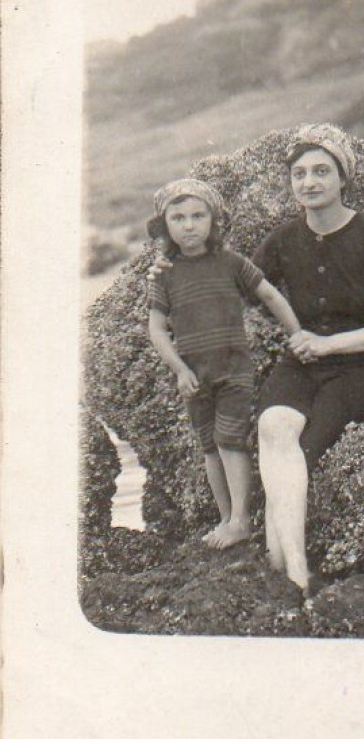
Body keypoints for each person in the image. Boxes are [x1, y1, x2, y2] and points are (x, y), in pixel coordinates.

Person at [252, 124, 364, 593]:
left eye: (322, 171)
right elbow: (242, 283)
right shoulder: (284, 238)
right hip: (303, 363)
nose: (310, 182)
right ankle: (285, 562)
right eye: (299, 174)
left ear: (344, 178)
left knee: (304, 449)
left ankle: (290, 568)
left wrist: (328, 344)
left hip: (363, 366)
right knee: (272, 427)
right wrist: (174, 266)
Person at [146, 177, 301, 550]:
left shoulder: (232, 262)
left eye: (198, 215)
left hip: (234, 370)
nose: (189, 225)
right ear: (165, 226)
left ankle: (241, 520)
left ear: (214, 221)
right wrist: (180, 370)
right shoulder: (164, 275)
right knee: (209, 446)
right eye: (178, 217)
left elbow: (269, 294)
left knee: (229, 440)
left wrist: (297, 333)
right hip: (194, 376)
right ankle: (225, 518)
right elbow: (156, 329)